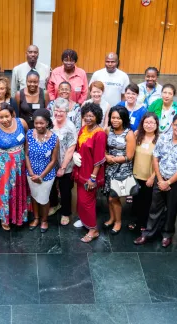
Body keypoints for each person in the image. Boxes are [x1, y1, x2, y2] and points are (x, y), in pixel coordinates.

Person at [134, 114, 177, 247]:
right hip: (160, 179)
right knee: (155, 207)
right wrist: (160, 179)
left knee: (172, 209)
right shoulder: (163, 138)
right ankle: (149, 233)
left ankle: (167, 235)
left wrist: (168, 182)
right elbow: (155, 158)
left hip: (176, 183)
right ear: (172, 125)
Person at [0, 104, 30, 231]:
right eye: (1, 117)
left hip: (20, 163)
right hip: (4, 166)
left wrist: (27, 157)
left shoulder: (21, 122)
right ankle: (5, 218)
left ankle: (19, 215)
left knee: (19, 189)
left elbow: (28, 139)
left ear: (12, 115)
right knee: (5, 192)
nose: (5, 120)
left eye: (7, 116)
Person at [72, 102, 107, 242]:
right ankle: (84, 220)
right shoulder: (83, 129)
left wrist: (93, 178)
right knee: (80, 199)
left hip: (91, 173)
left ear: (97, 117)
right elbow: (79, 147)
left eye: (91, 116)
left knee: (87, 202)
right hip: (81, 169)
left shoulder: (100, 134)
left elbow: (99, 158)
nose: (88, 118)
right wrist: (75, 155)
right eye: (86, 115)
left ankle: (93, 229)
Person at [102, 106, 135, 234]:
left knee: (114, 198)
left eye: (118, 118)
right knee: (108, 196)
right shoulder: (108, 130)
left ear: (124, 119)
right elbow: (103, 148)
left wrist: (113, 159)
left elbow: (129, 156)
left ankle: (118, 222)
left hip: (122, 170)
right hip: (109, 168)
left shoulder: (129, 133)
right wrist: (106, 156)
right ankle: (111, 218)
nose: (115, 120)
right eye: (113, 117)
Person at [26, 109, 60, 233]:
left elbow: (53, 160)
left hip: (47, 175)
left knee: (44, 198)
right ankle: (36, 218)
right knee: (34, 196)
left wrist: (41, 176)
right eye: (36, 123)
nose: (39, 126)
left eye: (42, 123)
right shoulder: (29, 134)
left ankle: (44, 220)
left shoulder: (54, 138)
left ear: (47, 123)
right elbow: (26, 155)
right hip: (31, 173)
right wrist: (31, 173)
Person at [49, 100, 78, 226]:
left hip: (65, 163)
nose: (58, 113)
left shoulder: (70, 127)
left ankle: (66, 213)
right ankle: (55, 204)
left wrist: (63, 167)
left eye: (61, 111)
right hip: (50, 162)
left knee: (65, 189)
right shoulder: (50, 123)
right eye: (56, 110)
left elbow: (71, 148)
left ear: (67, 112)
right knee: (51, 187)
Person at [129, 112, 159, 232]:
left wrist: (152, 177)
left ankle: (144, 223)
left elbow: (160, 161)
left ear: (156, 124)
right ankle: (136, 221)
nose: (149, 125)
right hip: (136, 174)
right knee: (136, 200)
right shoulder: (137, 135)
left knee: (147, 202)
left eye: (152, 122)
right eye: (146, 122)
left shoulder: (159, 139)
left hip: (149, 177)